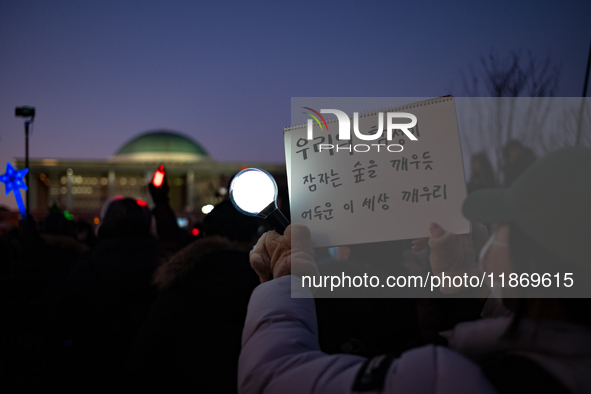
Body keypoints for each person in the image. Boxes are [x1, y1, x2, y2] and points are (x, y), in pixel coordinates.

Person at [238, 147, 591, 393]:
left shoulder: (447, 379)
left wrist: (288, 279)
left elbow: (271, 380)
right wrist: (470, 287)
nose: (493, 235)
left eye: (502, 226)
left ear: (533, 260)